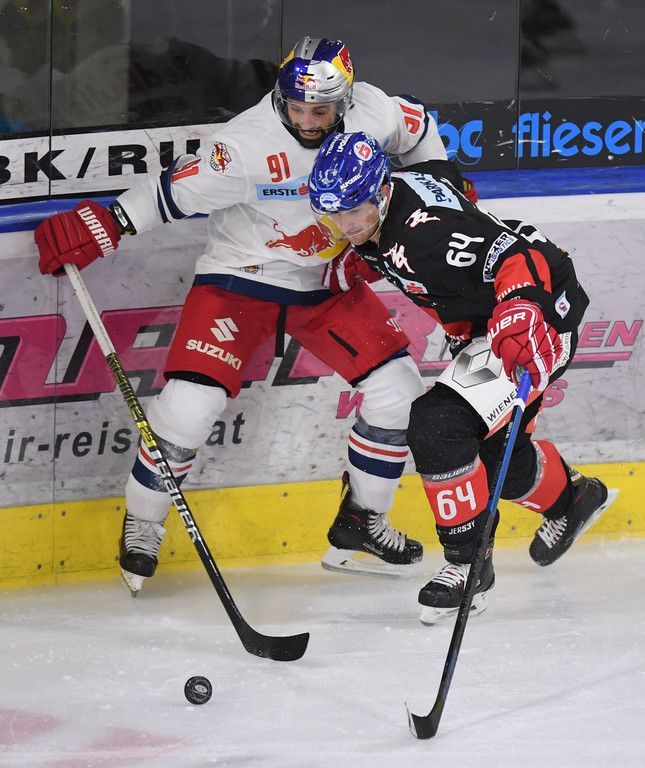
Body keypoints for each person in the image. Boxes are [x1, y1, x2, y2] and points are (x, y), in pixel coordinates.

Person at [34, 37, 475, 594]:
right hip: (241, 280)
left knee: (400, 394)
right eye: (297, 108)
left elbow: (418, 129)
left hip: (326, 281)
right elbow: (170, 193)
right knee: (189, 408)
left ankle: (362, 522)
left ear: (344, 99)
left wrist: (440, 180)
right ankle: (143, 523)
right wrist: (108, 223)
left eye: (320, 110)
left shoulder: (372, 109)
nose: (307, 121)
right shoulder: (243, 147)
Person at [308, 130, 617, 624]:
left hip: (532, 319)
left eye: (354, 211)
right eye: (334, 214)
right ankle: (573, 499)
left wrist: (520, 309)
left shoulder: (424, 236)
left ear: (382, 191)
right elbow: (447, 178)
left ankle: (468, 565)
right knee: (495, 457)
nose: (345, 226)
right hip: (490, 320)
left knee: (438, 425)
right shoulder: (393, 199)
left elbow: (513, 254)